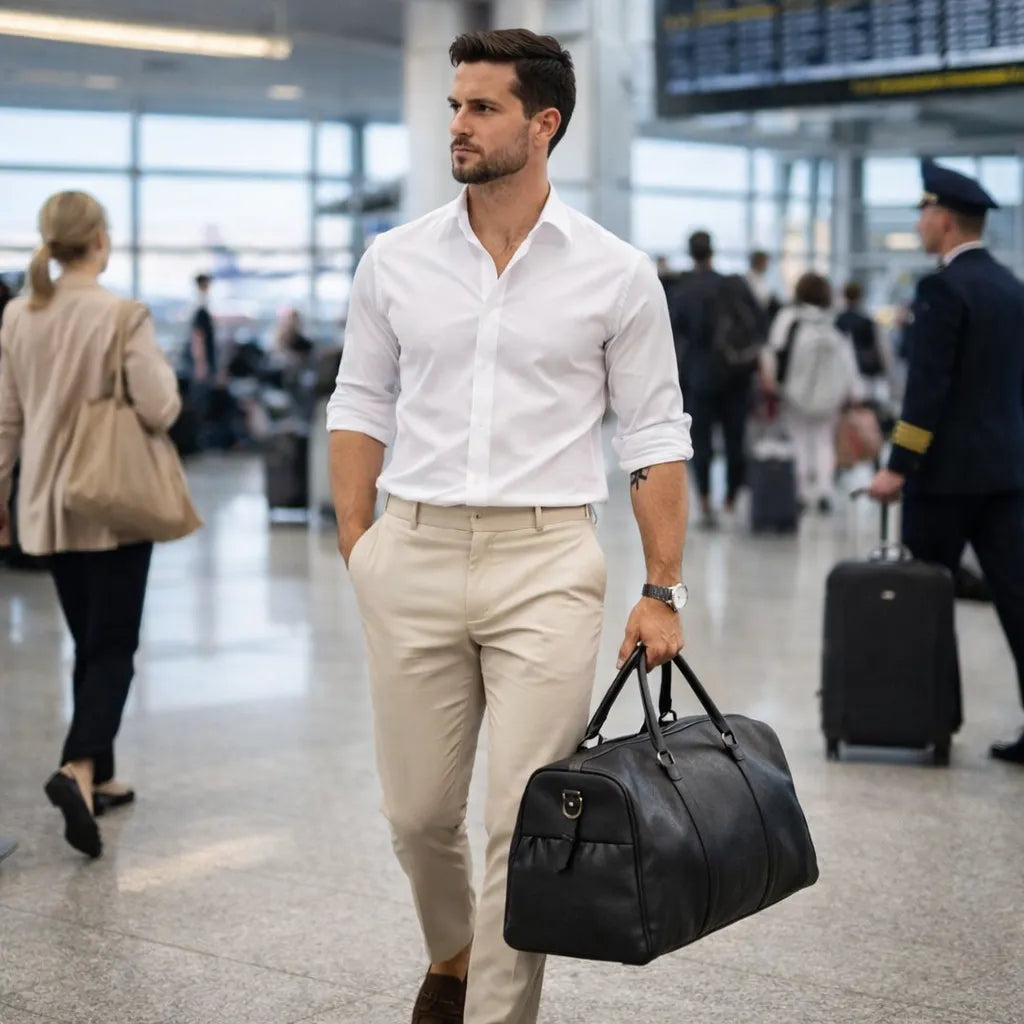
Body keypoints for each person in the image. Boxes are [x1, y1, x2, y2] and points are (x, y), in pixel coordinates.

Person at [327, 29, 692, 1024]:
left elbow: (654, 433)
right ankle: (452, 953)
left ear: (543, 125)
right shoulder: (395, 259)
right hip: (412, 550)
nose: (458, 123)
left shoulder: (615, 272)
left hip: (546, 560)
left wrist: (661, 588)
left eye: (482, 107)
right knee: (415, 816)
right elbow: (359, 401)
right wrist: (361, 545)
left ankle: (493, 1012)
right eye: (455, 104)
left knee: (518, 823)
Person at [0, 191, 182, 857]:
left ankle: (100, 776)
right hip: (110, 503)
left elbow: (6, 419)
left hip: (45, 505)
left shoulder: (18, 314)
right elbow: (161, 407)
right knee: (113, 647)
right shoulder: (122, 314)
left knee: (89, 640)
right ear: (100, 240)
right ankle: (77, 768)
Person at [868, 159, 1024, 766]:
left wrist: (898, 466)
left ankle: (926, 722)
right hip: (1006, 473)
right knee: (1017, 600)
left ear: (946, 220)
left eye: (925, 213)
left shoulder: (942, 289)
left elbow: (927, 391)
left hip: (944, 481)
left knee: (924, 602)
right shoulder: (1010, 287)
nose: (920, 223)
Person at [672, 230, 764, 528]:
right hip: (736, 374)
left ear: (690, 253)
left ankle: (704, 500)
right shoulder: (734, 285)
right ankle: (731, 500)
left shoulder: (684, 290)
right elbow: (760, 324)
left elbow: (675, 333)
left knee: (701, 441)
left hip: (699, 375)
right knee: (735, 437)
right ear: (712, 251)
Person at [763, 273, 863, 513]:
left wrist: (771, 381)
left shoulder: (788, 317)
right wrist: (854, 390)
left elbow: (774, 350)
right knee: (824, 440)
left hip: (794, 390)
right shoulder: (834, 320)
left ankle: (802, 492)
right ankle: (824, 491)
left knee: (799, 440)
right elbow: (848, 358)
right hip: (830, 393)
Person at [836, 281, 886, 392]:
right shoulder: (866, 321)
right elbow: (873, 348)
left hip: (842, 369)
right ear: (860, 297)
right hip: (864, 369)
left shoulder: (838, 320)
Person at [746, 249, 781, 323]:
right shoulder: (750, 279)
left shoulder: (759, 278)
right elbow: (761, 300)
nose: (767, 266)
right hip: (756, 318)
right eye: (765, 262)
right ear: (759, 262)